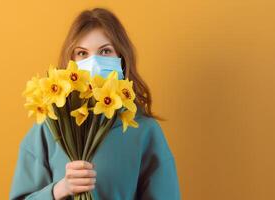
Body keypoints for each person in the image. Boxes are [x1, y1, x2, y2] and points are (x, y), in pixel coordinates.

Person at [9, 7, 181, 200]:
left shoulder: (144, 131)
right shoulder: (48, 128)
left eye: (105, 51)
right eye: (82, 53)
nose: (94, 63)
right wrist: (60, 189)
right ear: (71, 62)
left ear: (121, 58)